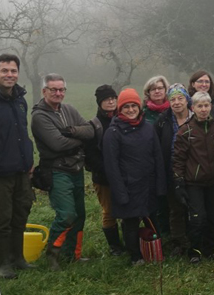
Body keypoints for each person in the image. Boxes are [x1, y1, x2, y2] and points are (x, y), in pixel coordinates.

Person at [0, 53, 35, 280]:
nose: (9, 75)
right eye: (5, 71)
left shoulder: (20, 99)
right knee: (1, 219)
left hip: (21, 169)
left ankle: (17, 258)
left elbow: (22, 132)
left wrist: (29, 161)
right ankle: (2, 264)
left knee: (20, 214)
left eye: (13, 71)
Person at [31, 74, 96, 270]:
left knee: (80, 215)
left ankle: (73, 255)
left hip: (76, 168)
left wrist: (73, 132)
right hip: (56, 170)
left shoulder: (69, 109)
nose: (58, 93)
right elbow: (57, 144)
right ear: (44, 91)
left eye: (61, 90)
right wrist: (80, 139)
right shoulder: (39, 116)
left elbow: (91, 130)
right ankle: (53, 256)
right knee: (66, 214)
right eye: (53, 89)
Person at [101, 88, 165, 265]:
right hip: (129, 186)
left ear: (139, 107)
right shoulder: (113, 133)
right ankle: (135, 256)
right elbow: (111, 166)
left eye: (133, 106)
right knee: (131, 223)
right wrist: (120, 192)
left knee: (152, 219)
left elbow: (157, 157)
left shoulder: (148, 128)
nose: (130, 110)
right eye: (126, 107)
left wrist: (160, 185)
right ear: (119, 110)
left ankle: (155, 250)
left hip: (149, 184)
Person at [172, 91, 214, 263]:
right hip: (194, 182)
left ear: (211, 107)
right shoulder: (185, 131)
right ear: (193, 108)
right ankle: (194, 251)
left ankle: (210, 249)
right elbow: (178, 159)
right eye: (199, 106)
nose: (203, 109)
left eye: (206, 105)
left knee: (213, 218)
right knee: (197, 219)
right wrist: (178, 182)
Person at [83, 85, 126, 257]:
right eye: (106, 99)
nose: (111, 101)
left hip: (124, 176)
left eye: (113, 98)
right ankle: (115, 247)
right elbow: (90, 156)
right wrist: (109, 171)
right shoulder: (94, 125)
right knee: (109, 212)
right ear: (99, 102)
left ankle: (128, 242)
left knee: (126, 210)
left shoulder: (123, 120)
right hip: (103, 178)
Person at [153, 83, 193, 255]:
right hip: (171, 172)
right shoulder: (163, 120)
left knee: (193, 207)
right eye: (172, 99)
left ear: (187, 100)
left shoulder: (196, 116)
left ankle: (194, 239)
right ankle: (179, 242)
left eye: (180, 98)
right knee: (176, 209)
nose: (176, 102)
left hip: (193, 171)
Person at [188, 70, 214, 136]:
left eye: (207, 82)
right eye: (200, 81)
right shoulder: (187, 102)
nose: (204, 84)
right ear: (193, 84)